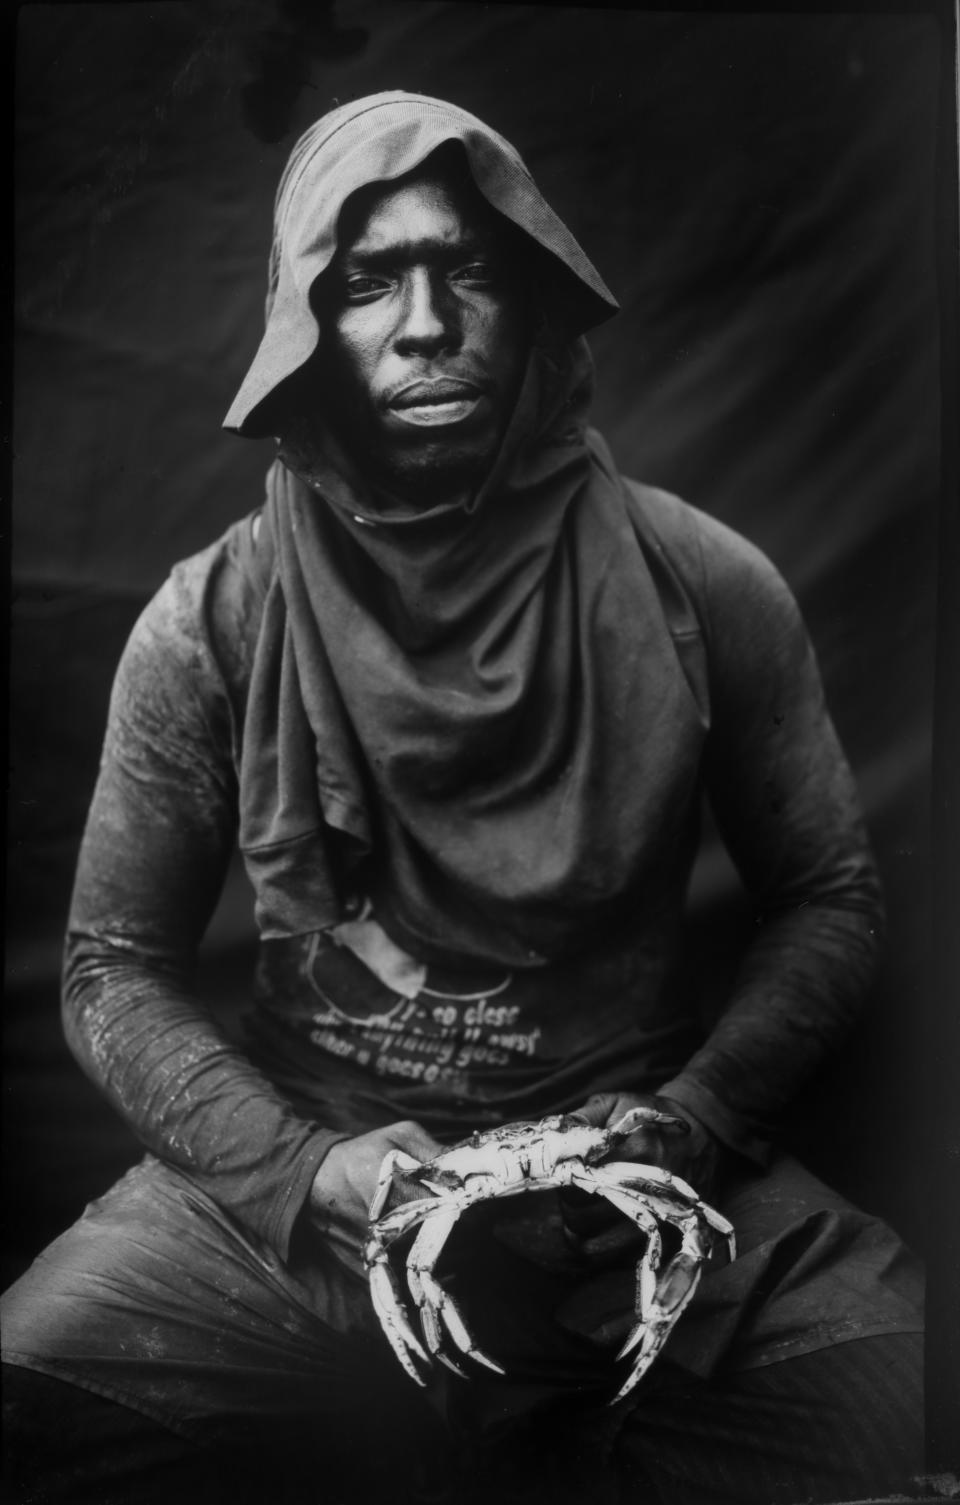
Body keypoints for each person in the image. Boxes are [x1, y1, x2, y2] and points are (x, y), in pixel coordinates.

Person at [2, 91, 924, 1505]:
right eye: (367, 281)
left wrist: (686, 1122)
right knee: (27, 1389)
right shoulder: (213, 621)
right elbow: (109, 970)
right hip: (311, 1191)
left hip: (634, 1189)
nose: (424, 321)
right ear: (308, 320)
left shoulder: (704, 585)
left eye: (466, 268)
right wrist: (306, 1171)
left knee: (894, 1382)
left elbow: (831, 899)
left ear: (531, 290)